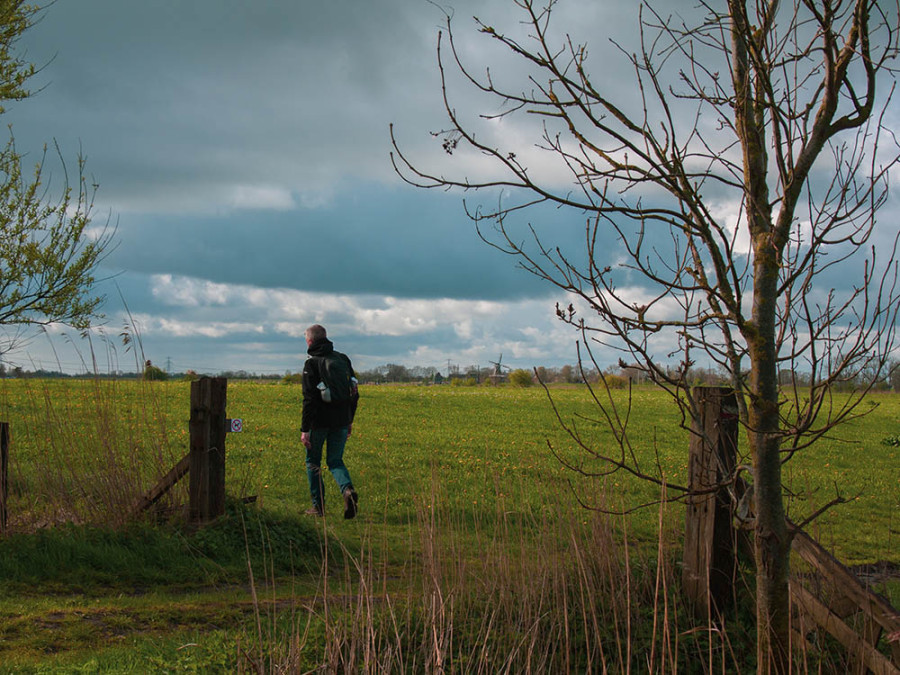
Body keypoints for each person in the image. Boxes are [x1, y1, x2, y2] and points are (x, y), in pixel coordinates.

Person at [300, 324, 360, 519]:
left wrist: (305, 429)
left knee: (313, 462)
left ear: (310, 341)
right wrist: (350, 419)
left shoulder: (312, 364)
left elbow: (309, 399)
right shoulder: (343, 359)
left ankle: (318, 508)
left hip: (319, 423)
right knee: (335, 461)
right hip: (342, 419)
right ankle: (347, 491)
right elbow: (354, 392)